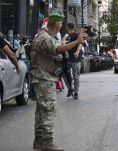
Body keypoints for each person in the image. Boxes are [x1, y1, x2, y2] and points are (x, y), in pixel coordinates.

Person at [31, 13, 87, 151]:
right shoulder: (44, 37)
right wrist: (77, 41)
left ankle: (39, 142)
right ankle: (48, 143)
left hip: (44, 77)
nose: (60, 27)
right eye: (60, 24)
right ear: (55, 24)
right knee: (49, 110)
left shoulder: (46, 36)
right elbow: (58, 49)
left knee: (41, 112)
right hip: (44, 78)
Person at [66, 22, 83, 99]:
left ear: (67, 27)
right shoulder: (67, 36)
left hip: (76, 58)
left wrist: (77, 51)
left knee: (76, 76)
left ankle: (76, 92)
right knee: (66, 74)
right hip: (68, 58)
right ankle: (70, 89)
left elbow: (80, 44)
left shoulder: (77, 34)